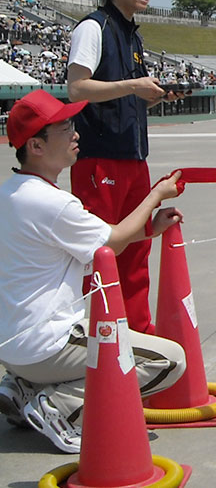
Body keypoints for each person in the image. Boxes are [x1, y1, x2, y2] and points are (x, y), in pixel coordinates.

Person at [0, 89, 186, 453]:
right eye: (65, 127)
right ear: (36, 146)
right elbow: (112, 242)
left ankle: (23, 386)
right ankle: (60, 407)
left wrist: (148, 229)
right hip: (47, 344)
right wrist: (156, 195)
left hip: (13, 344)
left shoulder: (12, 193)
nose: (76, 133)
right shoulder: (53, 203)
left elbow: (95, 246)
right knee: (169, 362)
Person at [66, 0, 181, 334]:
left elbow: (124, 99)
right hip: (99, 159)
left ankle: (138, 335)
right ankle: (100, 341)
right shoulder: (93, 28)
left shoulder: (133, 38)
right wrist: (133, 84)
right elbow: (77, 88)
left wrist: (156, 95)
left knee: (137, 248)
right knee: (100, 253)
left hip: (134, 158)